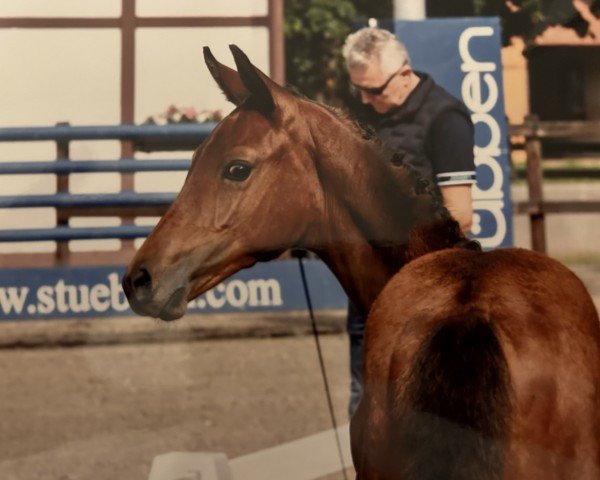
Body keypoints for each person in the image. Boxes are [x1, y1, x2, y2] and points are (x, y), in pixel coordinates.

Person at [341, 27, 476, 417]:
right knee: (364, 405)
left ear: (404, 73)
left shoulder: (446, 118)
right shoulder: (363, 113)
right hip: (366, 293)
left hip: (425, 289)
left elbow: (459, 216)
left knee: (429, 411)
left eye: (375, 90)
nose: (366, 100)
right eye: (359, 91)